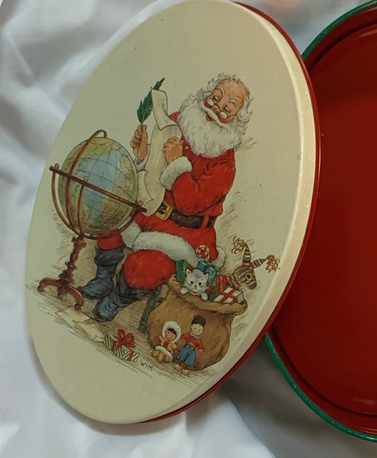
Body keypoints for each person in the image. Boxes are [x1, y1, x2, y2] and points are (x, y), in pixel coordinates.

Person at [79, 74, 252, 322]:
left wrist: (177, 163)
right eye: (215, 98)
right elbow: (153, 169)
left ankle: (117, 299)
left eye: (228, 107)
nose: (216, 108)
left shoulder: (224, 165)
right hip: (151, 207)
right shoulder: (180, 121)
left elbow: (190, 204)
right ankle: (103, 278)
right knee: (111, 211)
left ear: (237, 119)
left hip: (184, 234)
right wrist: (143, 154)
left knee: (145, 267)